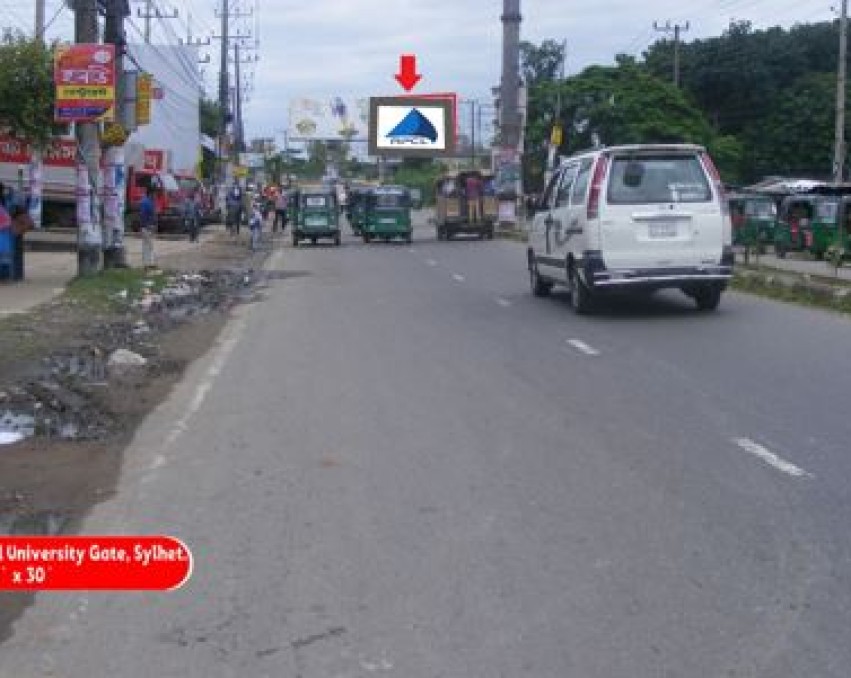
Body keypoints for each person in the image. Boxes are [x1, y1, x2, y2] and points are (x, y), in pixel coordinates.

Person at [139, 186, 157, 269]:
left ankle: (148, 264)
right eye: (154, 193)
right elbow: (142, 215)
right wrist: (147, 225)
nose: (155, 195)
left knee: (148, 245)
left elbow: (153, 215)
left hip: (150, 226)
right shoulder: (145, 202)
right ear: (151, 193)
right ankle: (148, 264)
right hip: (146, 227)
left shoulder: (151, 202)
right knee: (148, 245)